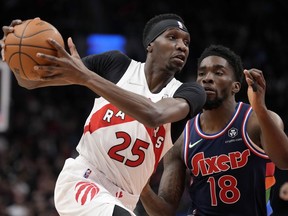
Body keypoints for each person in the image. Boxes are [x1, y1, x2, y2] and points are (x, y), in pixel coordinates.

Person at [0, 14, 206, 215]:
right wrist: (12, 53)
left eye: (186, 42)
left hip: (125, 200)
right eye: (172, 37)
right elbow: (31, 81)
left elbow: (154, 115)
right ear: (150, 44)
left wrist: (87, 78)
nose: (182, 46)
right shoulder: (115, 65)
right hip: (84, 180)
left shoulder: (190, 93)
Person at [140, 44, 288, 216]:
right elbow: (164, 211)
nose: (207, 78)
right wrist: (142, 187)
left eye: (218, 73)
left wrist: (260, 108)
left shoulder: (256, 121)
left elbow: (284, 161)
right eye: (202, 73)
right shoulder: (181, 136)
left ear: (236, 86)